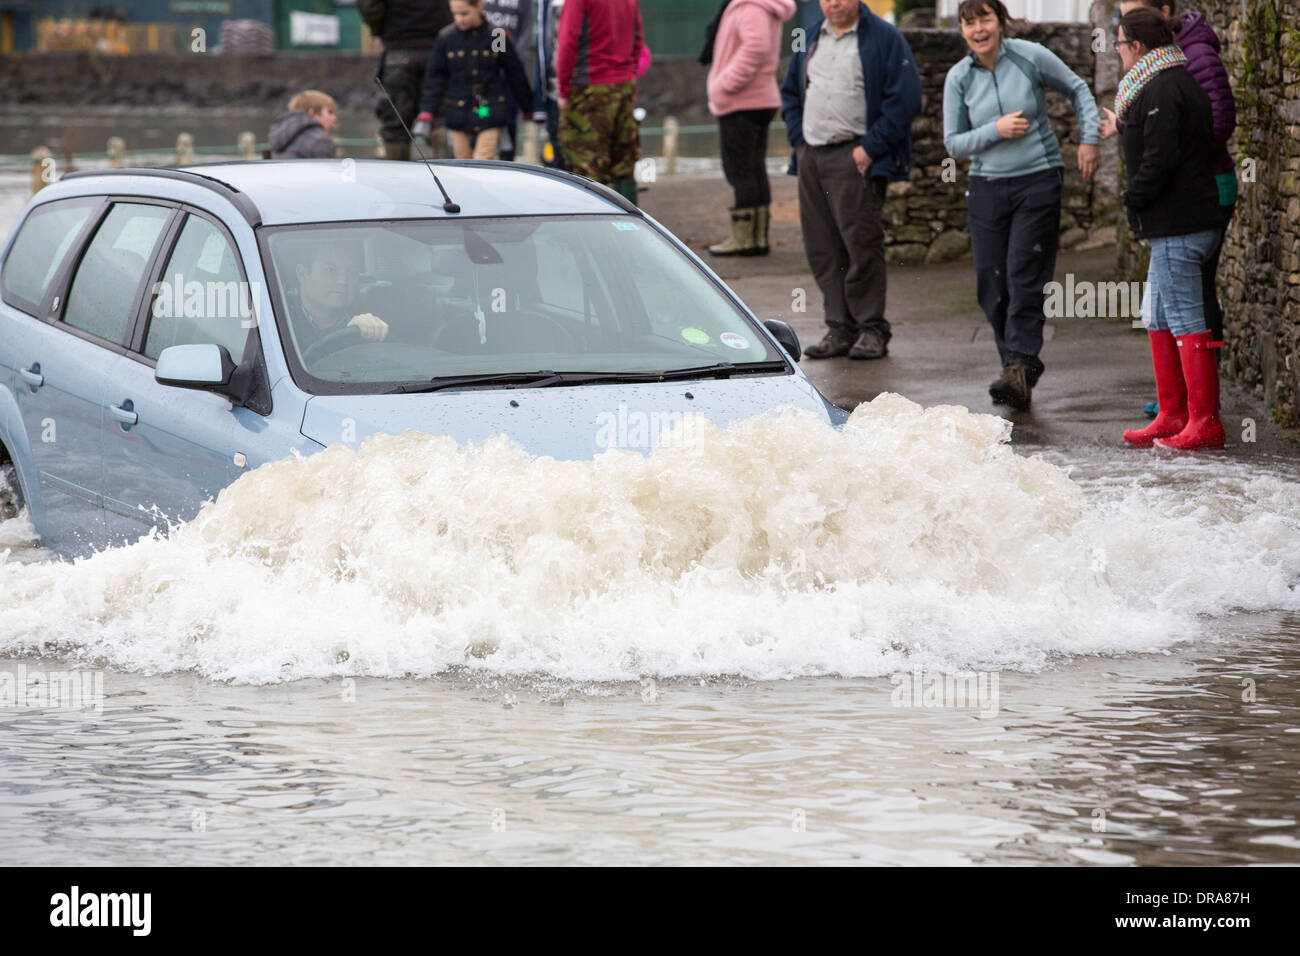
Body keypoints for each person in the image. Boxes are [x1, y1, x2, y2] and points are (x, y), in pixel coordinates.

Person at [942, 0, 1100, 410]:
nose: (979, 29)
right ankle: (1017, 369)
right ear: (962, 30)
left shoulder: (1030, 57)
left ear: (1000, 22)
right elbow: (953, 142)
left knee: (1023, 275)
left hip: (1038, 180)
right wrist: (994, 130)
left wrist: (1089, 140)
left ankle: (1017, 367)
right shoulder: (958, 77)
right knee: (991, 286)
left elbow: (1079, 88)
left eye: (985, 19)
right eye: (970, 22)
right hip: (987, 186)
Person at [1102, 0, 1236, 421]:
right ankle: (1174, 414)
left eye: (1120, 43)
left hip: (1181, 217)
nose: (1116, 51)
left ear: (1137, 46)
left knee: (1186, 314)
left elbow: (1165, 152)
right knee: (1157, 312)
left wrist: (1135, 195)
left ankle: (1203, 420)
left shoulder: (1165, 85)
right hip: (1173, 219)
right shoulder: (1158, 80)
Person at [780, 0, 922, 360]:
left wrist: (870, 148)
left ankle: (872, 328)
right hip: (811, 157)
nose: (833, 3)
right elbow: (791, 94)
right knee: (822, 247)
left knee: (861, 244)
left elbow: (905, 99)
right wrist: (799, 141)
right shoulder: (809, 37)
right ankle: (839, 329)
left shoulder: (885, 38)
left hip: (855, 158)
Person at [704, 0, 796, 258]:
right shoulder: (757, 5)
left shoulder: (752, 7)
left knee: (740, 170)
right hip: (757, 98)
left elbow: (756, 47)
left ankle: (746, 240)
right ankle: (754, 238)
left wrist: (724, 84)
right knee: (753, 170)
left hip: (743, 100)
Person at [412, 0, 534, 161]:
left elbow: (513, 71)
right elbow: (435, 78)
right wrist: (427, 111)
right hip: (458, 111)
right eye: (455, 14)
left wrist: (527, 106)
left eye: (464, 13)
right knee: (462, 162)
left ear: (479, 7)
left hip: (489, 109)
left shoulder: (496, 36)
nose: (459, 19)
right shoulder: (447, 38)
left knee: (482, 161)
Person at [555, 0, 644, 206]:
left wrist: (564, 90)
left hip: (588, 88)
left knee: (586, 165)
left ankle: (591, 230)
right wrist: (628, 77)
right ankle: (630, 228)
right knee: (624, 163)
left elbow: (568, 42)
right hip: (623, 87)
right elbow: (638, 41)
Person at [359, 0, 453, 160]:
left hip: (398, 49)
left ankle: (398, 181)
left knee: (396, 126)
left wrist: (383, 29)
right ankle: (449, 177)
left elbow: (370, 6)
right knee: (442, 120)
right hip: (438, 48)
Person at [285, 242, 390, 356]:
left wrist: (367, 334)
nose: (343, 281)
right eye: (330, 270)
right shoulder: (276, 324)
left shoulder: (373, 321)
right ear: (303, 274)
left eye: (352, 272)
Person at [268, 91, 339, 159]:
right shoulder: (321, 141)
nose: (334, 118)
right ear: (312, 113)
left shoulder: (279, 135)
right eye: (330, 112)